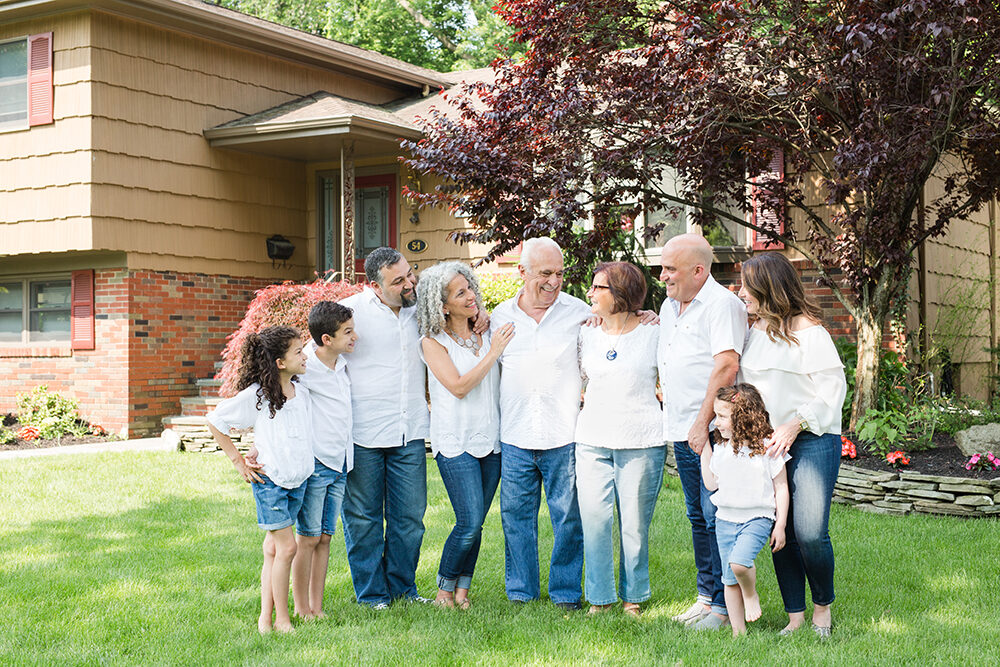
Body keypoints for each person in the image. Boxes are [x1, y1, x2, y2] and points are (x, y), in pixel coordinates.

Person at [737, 252, 847, 638]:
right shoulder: (752, 332)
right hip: (768, 445)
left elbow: (833, 391)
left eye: (747, 285)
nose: (740, 292)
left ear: (769, 288)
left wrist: (794, 423)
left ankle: (822, 611)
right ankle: (795, 616)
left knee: (810, 531)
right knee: (779, 529)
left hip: (813, 439)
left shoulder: (810, 333)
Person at [491, 237, 591, 609]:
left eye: (560, 274)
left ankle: (565, 593)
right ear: (522, 272)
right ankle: (521, 592)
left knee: (568, 518)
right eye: (545, 274)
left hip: (563, 433)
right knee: (516, 518)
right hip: (515, 434)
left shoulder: (579, 312)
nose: (554, 282)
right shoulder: (499, 316)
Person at [658, 233, 747, 631]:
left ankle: (725, 610)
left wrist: (701, 423)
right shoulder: (669, 306)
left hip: (712, 430)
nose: (662, 276)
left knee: (716, 517)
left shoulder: (722, 305)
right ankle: (706, 597)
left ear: (698, 270)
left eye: (670, 269)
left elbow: (726, 366)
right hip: (683, 427)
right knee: (697, 515)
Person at [416, 261, 515, 610]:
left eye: (470, 287)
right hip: (455, 442)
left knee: (478, 523)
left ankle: (462, 593)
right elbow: (458, 387)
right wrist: (493, 352)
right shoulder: (432, 342)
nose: (471, 296)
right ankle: (444, 591)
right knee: (469, 521)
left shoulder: (487, 331)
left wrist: (489, 342)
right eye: (461, 293)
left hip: (492, 440)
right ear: (443, 305)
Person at [338, 247, 430, 609]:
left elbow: (466, 313)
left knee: (409, 518)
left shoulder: (421, 309)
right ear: (373, 286)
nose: (409, 284)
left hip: (410, 429)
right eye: (398, 281)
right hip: (363, 433)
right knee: (363, 519)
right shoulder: (350, 313)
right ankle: (372, 595)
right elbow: (318, 361)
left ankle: (403, 589)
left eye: (410, 274)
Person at [206, 326, 313, 634]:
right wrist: (239, 461)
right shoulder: (258, 395)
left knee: (274, 550)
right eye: (297, 352)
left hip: (298, 479)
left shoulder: (300, 391)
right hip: (271, 482)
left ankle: (265, 619)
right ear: (280, 362)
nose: (304, 356)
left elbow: (280, 433)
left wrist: (257, 447)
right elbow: (215, 420)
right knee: (288, 548)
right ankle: (282, 619)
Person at [574, 261, 665, 618]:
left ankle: (634, 596)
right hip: (592, 439)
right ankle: (600, 598)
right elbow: (580, 379)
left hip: (641, 439)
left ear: (622, 295)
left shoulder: (654, 331)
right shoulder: (586, 332)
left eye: (599, 288)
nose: (590, 294)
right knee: (595, 521)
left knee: (634, 525)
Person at [700, 384, 789, 637]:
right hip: (725, 520)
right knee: (729, 580)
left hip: (757, 518)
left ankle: (751, 595)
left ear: (743, 417)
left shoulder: (766, 448)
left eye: (722, 416)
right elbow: (711, 483)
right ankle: (739, 633)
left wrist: (780, 524)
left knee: (739, 563)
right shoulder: (721, 449)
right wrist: (704, 450)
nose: (717, 422)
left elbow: (781, 487)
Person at [289, 302, 357, 619]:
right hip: (316, 464)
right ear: (326, 339)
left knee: (326, 537)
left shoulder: (343, 365)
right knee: (308, 538)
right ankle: (302, 609)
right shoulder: (305, 369)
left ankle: (317, 606)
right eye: (347, 332)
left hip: (341, 463)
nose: (354, 336)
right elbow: (279, 400)